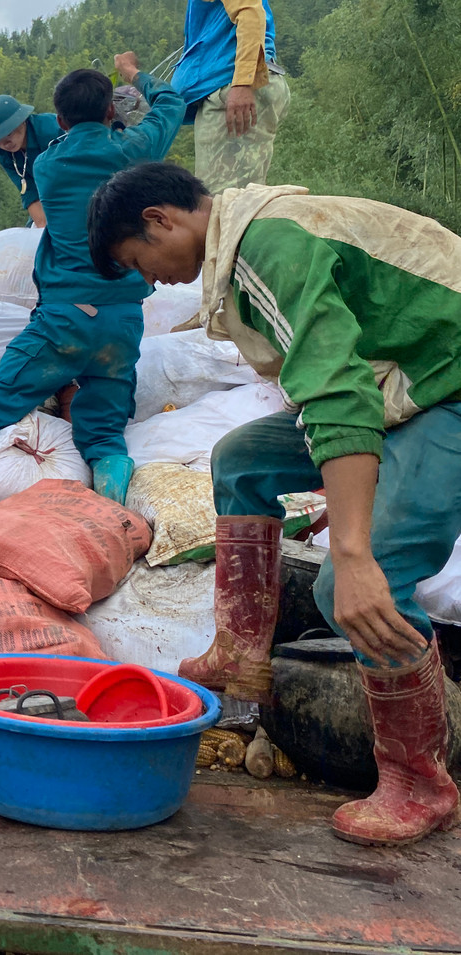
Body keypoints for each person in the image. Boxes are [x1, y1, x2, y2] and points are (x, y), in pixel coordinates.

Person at [87, 161, 461, 846]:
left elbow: (338, 393)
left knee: (358, 581)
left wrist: (349, 550)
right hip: (405, 379)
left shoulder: (267, 246)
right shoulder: (243, 243)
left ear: (160, 220)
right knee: (241, 460)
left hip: (448, 383)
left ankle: (420, 778)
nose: (149, 280)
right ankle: (240, 650)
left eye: (138, 261)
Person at [0, 55, 186, 506]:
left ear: (57, 120)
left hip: (64, 318)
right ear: (111, 111)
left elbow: (43, 213)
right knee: (107, 437)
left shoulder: (46, 168)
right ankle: (113, 515)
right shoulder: (134, 148)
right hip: (122, 320)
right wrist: (135, 75)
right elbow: (171, 102)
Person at [163, 0, 290, 193]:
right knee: (225, 205)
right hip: (227, 90)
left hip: (232, 91)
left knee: (226, 207)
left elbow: (249, 12)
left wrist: (243, 83)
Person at [0, 93, 62, 228]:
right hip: (47, 201)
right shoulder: (4, 155)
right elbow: (30, 194)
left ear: (22, 120)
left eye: (8, 134)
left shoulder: (54, 130)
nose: (5, 143)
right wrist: (43, 232)